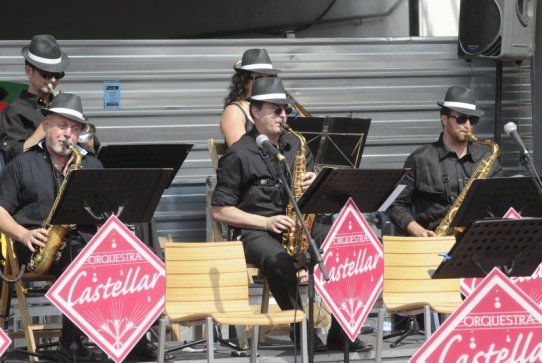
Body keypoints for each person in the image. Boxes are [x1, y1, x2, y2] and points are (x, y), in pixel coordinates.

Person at [211, 77, 372, 353]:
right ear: (256, 111)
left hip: (297, 223)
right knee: (280, 262)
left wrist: (315, 184)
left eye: (285, 110)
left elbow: (310, 197)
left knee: (350, 246)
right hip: (256, 230)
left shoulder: (297, 144)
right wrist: (266, 221)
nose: (283, 116)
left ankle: (341, 331)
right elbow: (219, 211)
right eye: (276, 110)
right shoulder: (238, 154)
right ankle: (303, 333)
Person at [0, 93, 101, 361]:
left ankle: (136, 341)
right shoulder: (22, 164)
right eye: (62, 126)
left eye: (75, 128)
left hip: (83, 243)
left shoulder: (89, 163)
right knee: (78, 254)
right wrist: (23, 233)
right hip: (36, 246)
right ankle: (71, 343)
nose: (68, 134)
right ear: (45, 125)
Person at [387, 85, 503, 237]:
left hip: (477, 241)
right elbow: (395, 204)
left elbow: (501, 204)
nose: (468, 125)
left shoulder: (487, 157)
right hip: (434, 243)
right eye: (462, 118)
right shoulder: (420, 159)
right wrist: (419, 231)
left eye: (473, 119)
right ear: (444, 119)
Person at [0, 34, 69, 164]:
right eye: (46, 74)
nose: (53, 80)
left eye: (58, 74)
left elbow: (91, 146)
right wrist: (46, 125)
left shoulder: (64, 104)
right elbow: (13, 158)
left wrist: (84, 136)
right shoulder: (13, 110)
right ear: (28, 71)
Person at [220, 48, 280, 147]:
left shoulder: (276, 109)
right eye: (260, 77)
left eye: (269, 78)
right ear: (244, 80)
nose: (266, 83)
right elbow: (241, 154)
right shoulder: (234, 111)